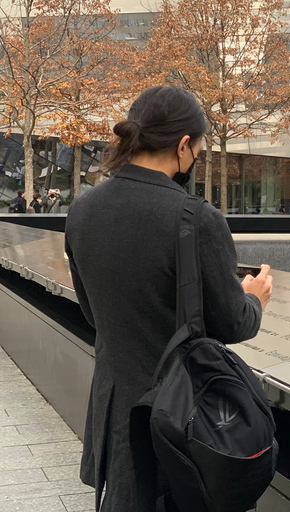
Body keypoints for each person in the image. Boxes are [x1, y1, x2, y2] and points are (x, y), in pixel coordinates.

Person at [64, 86, 273, 512]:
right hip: (181, 419)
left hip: (117, 416)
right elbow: (233, 323)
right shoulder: (196, 218)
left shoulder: (82, 211)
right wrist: (253, 298)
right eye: (195, 149)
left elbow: (92, 313)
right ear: (182, 146)